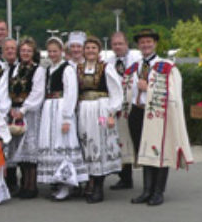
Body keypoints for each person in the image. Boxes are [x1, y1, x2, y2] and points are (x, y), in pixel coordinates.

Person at [129, 29, 193, 206]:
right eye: (142, 42)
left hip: (158, 114)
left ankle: (158, 191)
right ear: (138, 46)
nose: (145, 45)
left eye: (149, 42)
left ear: (155, 43)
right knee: (144, 152)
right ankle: (146, 190)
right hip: (138, 111)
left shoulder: (166, 66)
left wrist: (147, 88)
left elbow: (172, 94)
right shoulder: (135, 66)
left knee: (159, 151)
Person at [37, 37, 87, 201]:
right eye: (50, 51)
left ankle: (67, 184)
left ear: (62, 52)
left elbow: (71, 93)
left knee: (63, 143)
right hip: (49, 108)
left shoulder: (67, 69)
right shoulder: (48, 69)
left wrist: (67, 117)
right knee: (51, 144)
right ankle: (58, 181)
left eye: (55, 51)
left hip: (61, 108)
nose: (52, 54)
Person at [77, 37, 123, 203]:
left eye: (93, 48)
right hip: (84, 110)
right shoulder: (78, 68)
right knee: (86, 144)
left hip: (102, 111)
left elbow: (116, 91)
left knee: (100, 145)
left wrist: (111, 114)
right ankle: (89, 183)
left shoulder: (106, 68)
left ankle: (98, 188)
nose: (90, 50)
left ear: (98, 51)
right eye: (87, 48)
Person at [6, 37, 45, 199]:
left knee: (30, 148)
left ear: (33, 52)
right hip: (14, 111)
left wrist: (24, 109)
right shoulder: (14, 69)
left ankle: (31, 185)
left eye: (28, 51)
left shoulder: (38, 70)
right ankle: (22, 185)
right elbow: (5, 90)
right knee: (17, 147)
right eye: (23, 50)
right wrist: (9, 108)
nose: (25, 53)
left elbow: (37, 92)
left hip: (29, 111)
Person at [107, 30, 139, 190]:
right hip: (118, 106)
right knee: (121, 142)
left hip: (134, 105)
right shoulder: (108, 61)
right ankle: (125, 178)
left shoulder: (137, 58)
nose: (117, 46)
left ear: (127, 44)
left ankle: (149, 178)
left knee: (136, 140)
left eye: (120, 43)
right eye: (115, 44)